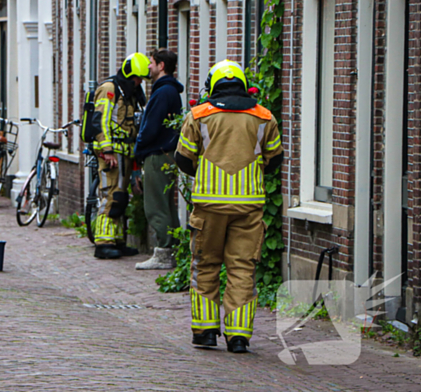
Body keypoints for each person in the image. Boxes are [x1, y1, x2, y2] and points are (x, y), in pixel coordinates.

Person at [174, 60, 283, 354]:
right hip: (248, 208)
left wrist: (205, 172)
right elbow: (275, 159)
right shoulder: (264, 117)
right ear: (243, 85)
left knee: (205, 265)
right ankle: (238, 336)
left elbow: (183, 158)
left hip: (208, 207)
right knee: (242, 269)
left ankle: (206, 332)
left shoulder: (199, 115)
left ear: (212, 86)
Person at [91, 52, 149, 259]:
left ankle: (117, 240)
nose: (139, 83)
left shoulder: (128, 93)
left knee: (121, 197)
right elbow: (100, 120)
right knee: (110, 195)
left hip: (125, 153)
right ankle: (103, 243)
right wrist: (107, 150)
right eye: (137, 78)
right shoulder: (109, 90)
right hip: (112, 154)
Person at [134, 48, 184, 270]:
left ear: (161, 66)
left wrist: (139, 146)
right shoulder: (170, 91)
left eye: (151, 62)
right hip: (167, 153)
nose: (148, 66)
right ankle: (173, 249)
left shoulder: (162, 93)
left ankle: (164, 252)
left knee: (155, 205)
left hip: (157, 154)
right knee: (167, 205)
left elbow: (151, 127)